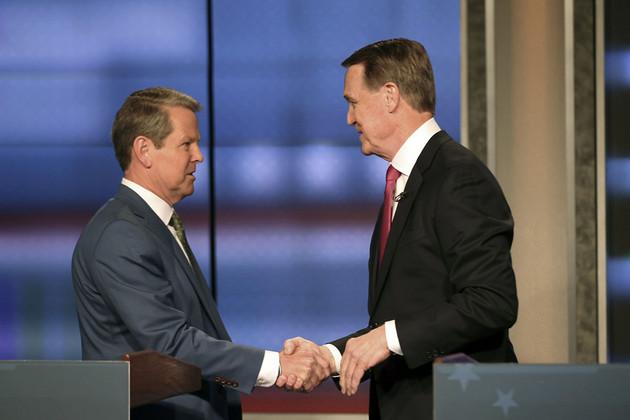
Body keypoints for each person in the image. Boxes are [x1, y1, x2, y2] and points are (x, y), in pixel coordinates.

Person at [280, 38, 518, 419]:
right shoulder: (405, 180)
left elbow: (492, 301)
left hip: (455, 407)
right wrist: (330, 357)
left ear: (390, 96)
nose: (349, 118)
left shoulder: (458, 177)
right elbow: (400, 316)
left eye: (353, 102)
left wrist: (387, 338)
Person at [72, 87, 330, 420]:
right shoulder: (121, 235)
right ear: (144, 150)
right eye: (186, 144)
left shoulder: (152, 224)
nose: (199, 156)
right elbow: (171, 343)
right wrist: (277, 366)